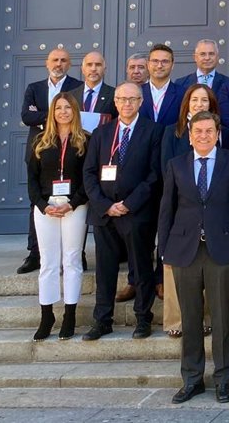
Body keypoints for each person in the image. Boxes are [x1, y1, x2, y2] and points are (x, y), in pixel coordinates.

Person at [158, 111, 229, 404]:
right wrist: (164, 250)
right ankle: (192, 379)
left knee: (221, 317)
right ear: (190, 135)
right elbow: (167, 209)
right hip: (184, 250)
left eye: (209, 131)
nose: (204, 136)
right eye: (198, 131)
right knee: (190, 317)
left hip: (221, 248)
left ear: (218, 134)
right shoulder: (176, 165)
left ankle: (223, 378)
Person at [82, 82, 162, 341]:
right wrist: (105, 205)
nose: (127, 104)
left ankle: (143, 319)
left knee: (141, 268)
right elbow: (89, 173)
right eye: (122, 99)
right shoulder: (102, 133)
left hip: (137, 214)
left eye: (132, 99)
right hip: (105, 214)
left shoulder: (154, 131)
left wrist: (129, 204)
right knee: (104, 271)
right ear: (115, 102)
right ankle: (102, 320)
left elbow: (155, 175)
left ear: (141, 102)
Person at [159, 83, 220, 338]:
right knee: (176, 269)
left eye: (204, 100)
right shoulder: (171, 132)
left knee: (206, 273)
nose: (199, 104)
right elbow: (165, 170)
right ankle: (175, 321)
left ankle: (205, 319)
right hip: (181, 209)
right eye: (194, 100)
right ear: (187, 104)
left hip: (210, 213)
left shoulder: (218, 131)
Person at [27, 92, 89, 341]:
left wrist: (73, 203)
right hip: (46, 208)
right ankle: (47, 316)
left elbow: (88, 179)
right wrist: (43, 205)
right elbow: (32, 179)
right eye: (59, 108)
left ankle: (69, 315)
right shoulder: (40, 140)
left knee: (72, 260)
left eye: (68, 107)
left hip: (74, 207)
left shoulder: (85, 140)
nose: (63, 112)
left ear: (75, 111)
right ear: (52, 112)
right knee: (48, 262)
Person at [20, 48, 84, 275]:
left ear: (70, 64)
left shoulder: (78, 87)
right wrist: (56, 115)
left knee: (77, 200)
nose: (59, 64)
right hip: (41, 150)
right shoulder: (34, 88)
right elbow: (26, 116)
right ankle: (34, 253)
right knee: (37, 202)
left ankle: (77, 253)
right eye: (54, 60)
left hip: (71, 151)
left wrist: (43, 114)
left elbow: (78, 115)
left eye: (63, 60)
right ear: (47, 63)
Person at [139, 44, 184, 129]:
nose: (159, 66)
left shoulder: (183, 93)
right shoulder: (137, 91)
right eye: (155, 61)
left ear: (172, 65)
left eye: (165, 61)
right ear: (148, 64)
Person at [79, 50, 117, 121]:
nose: (93, 69)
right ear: (83, 70)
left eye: (98, 65)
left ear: (104, 70)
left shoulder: (114, 94)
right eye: (89, 65)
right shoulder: (72, 95)